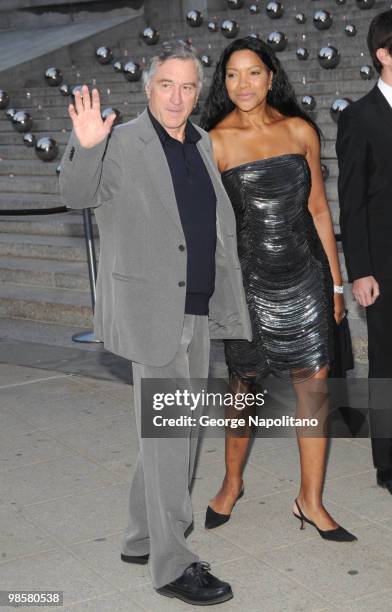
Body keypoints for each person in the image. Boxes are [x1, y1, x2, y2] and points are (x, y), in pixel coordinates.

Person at [59, 40, 252, 606]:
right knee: (173, 437)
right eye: (167, 84)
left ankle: (142, 537)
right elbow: (74, 194)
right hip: (152, 312)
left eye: (189, 86)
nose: (178, 96)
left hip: (195, 305)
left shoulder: (201, 140)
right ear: (148, 88)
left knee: (170, 433)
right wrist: (86, 145)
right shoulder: (120, 142)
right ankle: (173, 565)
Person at [200, 37, 357, 541]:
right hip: (248, 286)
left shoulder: (300, 131)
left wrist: (335, 285)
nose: (241, 84)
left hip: (306, 279)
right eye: (231, 75)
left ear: (271, 77)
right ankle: (231, 482)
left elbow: (318, 209)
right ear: (223, 83)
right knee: (243, 392)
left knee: (313, 393)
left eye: (252, 73)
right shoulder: (214, 142)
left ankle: (310, 501)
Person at [336, 9, 392, 495]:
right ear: (384, 54)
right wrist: (361, 270)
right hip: (385, 266)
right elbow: (351, 201)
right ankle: (388, 463)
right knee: (387, 363)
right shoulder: (358, 118)